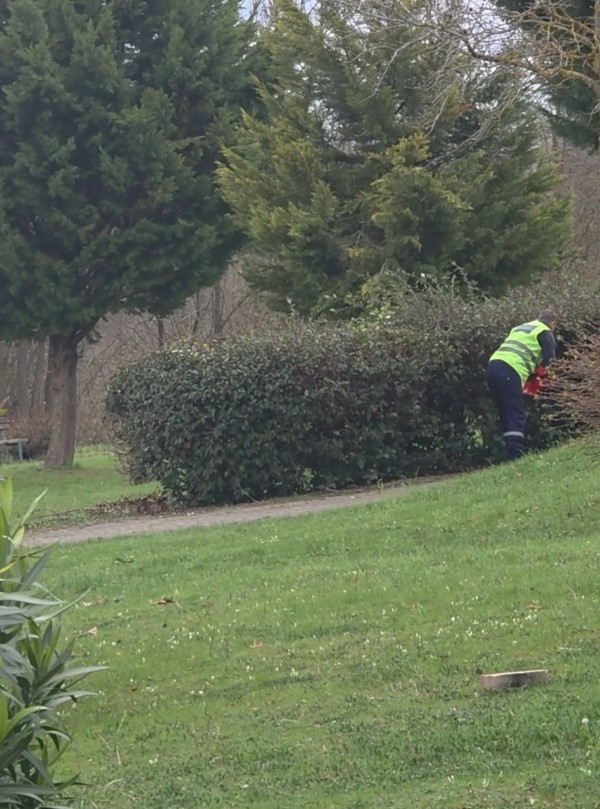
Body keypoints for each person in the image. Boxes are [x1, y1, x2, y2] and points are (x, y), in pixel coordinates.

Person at [486, 310, 558, 460]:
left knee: (505, 411)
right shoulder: (545, 331)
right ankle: (515, 455)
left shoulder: (520, 327)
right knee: (515, 412)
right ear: (553, 324)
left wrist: (531, 375)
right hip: (510, 369)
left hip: (493, 366)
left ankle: (508, 450)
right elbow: (551, 362)